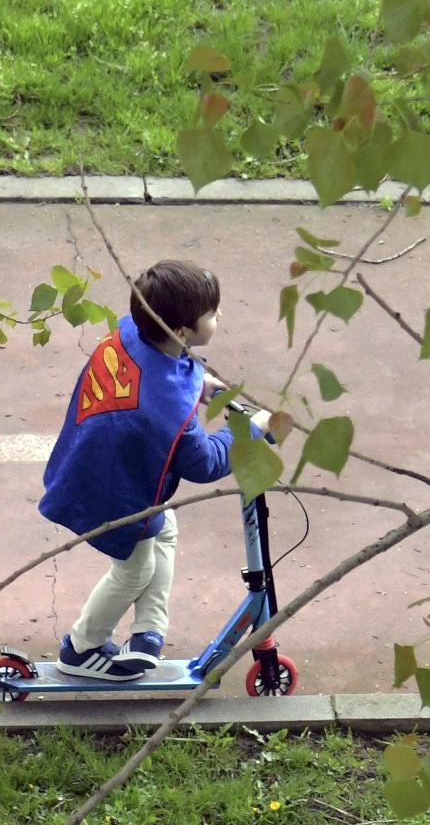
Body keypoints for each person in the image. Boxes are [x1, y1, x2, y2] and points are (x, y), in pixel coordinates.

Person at [39, 260, 269, 680]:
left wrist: (197, 380)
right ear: (182, 331)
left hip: (95, 462)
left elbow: (160, 370)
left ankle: (148, 631)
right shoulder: (164, 409)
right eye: (213, 314)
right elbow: (204, 463)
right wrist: (250, 433)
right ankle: (82, 647)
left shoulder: (132, 330)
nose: (220, 317)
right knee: (135, 570)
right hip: (112, 490)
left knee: (164, 529)